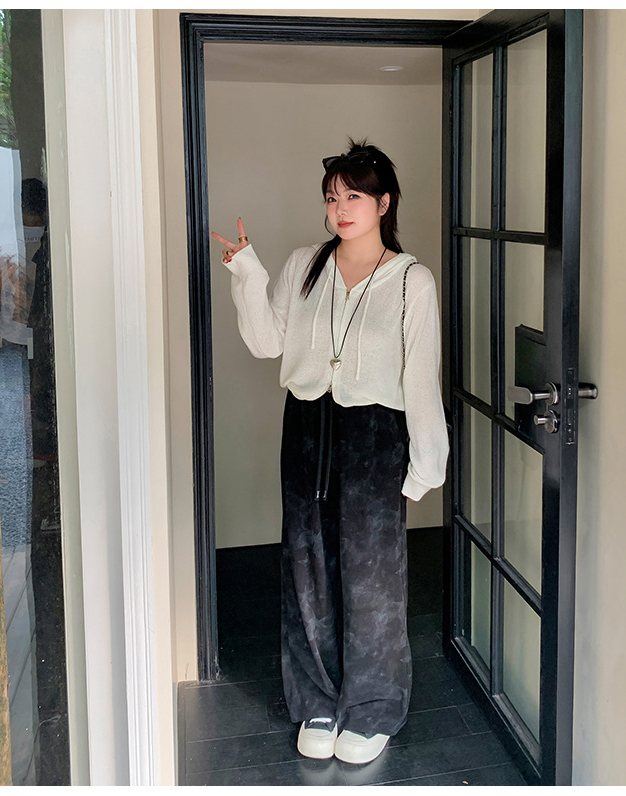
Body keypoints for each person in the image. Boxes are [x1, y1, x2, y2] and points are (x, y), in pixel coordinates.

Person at [211, 139, 449, 766]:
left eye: (353, 196)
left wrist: (425, 466)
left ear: (383, 203)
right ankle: (317, 698)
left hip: (375, 436)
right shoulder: (304, 265)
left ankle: (372, 707)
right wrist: (247, 272)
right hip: (307, 427)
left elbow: (421, 377)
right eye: (331, 198)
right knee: (306, 566)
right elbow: (267, 343)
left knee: (372, 578)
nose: (340, 209)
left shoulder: (411, 281)